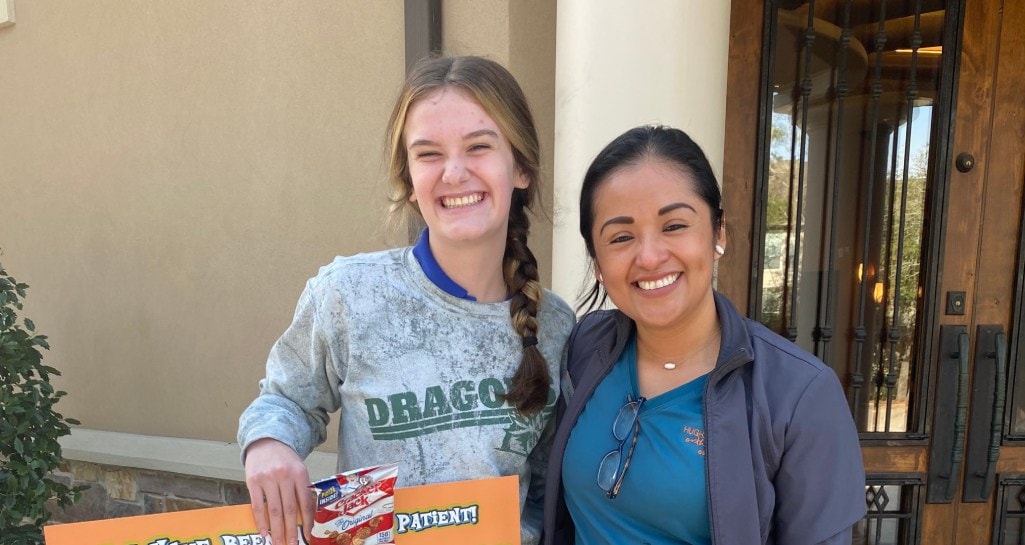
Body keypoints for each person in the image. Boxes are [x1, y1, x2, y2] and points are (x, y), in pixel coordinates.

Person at [238, 55, 575, 545]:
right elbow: (285, 400)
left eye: (479, 146)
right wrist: (268, 445)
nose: (455, 173)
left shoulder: (555, 326)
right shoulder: (350, 294)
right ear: (409, 180)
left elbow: (546, 492)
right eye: (429, 153)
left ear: (521, 166)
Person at [542, 125, 865, 544]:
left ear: (719, 232)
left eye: (674, 225)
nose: (651, 256)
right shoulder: (585, 346)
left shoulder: (799, 394)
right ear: (598, 264)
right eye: (621, 237)